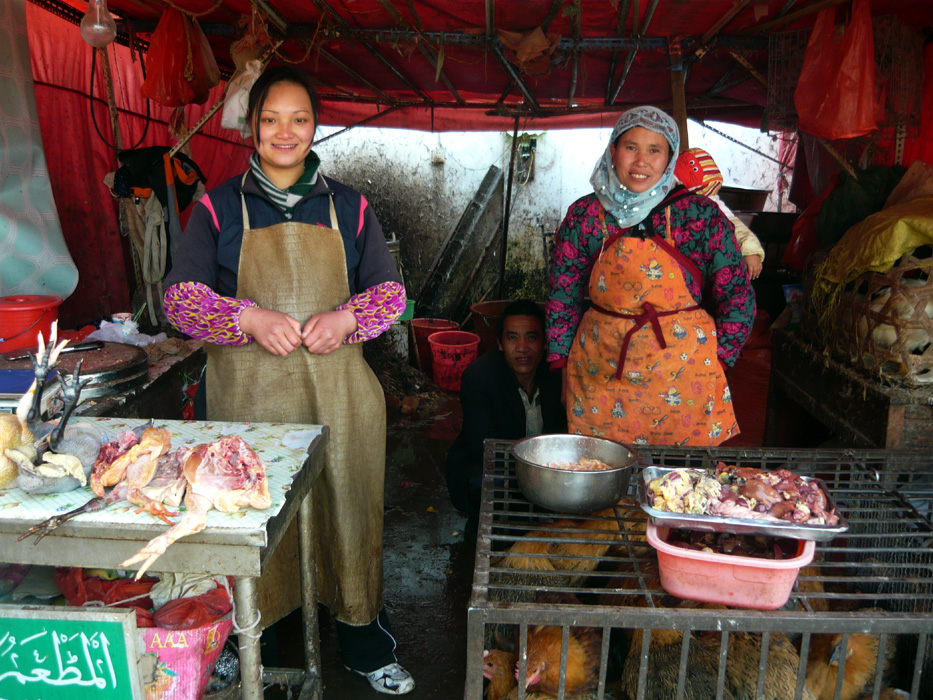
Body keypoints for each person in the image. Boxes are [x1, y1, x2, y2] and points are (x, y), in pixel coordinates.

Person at [162, 66, 414, 695]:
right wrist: (243, 315)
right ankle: (252, 644)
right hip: (251, 404)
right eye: (270, 118)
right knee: (255, 523)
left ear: (314, 125)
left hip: (341, 401)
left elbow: (391, 295)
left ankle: (362, 642)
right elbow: (180, 299)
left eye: (298, 118)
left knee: (347, 512)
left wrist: (348, 316)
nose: (285, 131)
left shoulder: (350, 206)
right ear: (251, 127)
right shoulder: (218, 206)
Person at [546, 106, 755, 447]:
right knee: (602, 472)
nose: (641, 161)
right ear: (613, 151)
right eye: (630, 147)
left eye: (654, 150)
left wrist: (718, 360)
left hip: (686, 372)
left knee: (681, 483)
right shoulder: (585, 214)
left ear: (670, 158)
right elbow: (562, 294)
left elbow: (737, 294)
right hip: (602, 367)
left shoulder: (699, 214)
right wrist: (560, 361)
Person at [446, 300, 566, 517]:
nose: (522, 348)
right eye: (512, 338)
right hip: (499, 468)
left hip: (549, 469)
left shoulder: (558, 376)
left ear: (545, 342)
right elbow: (482, 447)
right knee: (484, 481)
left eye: (531, 337)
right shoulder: (479, 376)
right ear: (500, 343)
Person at [674, 147, 767, 280]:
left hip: (704, 271)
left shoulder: (712, 202)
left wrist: (750, 252)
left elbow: (736, 227)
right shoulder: (665, 201)